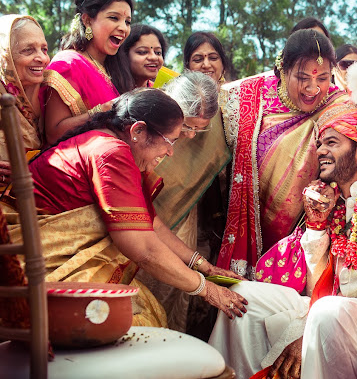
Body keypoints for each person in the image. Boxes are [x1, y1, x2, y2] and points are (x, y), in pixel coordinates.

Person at [209, 83, 357, 379]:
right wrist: (315, 226)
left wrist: (318, 317)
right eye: (319, 144)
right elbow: (316, 284)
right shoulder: (333, 199)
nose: (321, 151)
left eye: (331, 143)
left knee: (328, 313)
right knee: (244, 296)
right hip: (329, 306)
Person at [11, 89, 246, 327]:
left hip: (43, 257)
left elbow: (150, 224)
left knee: (147, 312)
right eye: (169, 141)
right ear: (138, 131)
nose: (170, 152)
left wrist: (204, 266)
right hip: (35, 266)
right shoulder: (110, 152)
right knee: (135, 323)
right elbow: (143, 248)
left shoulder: (110, 144)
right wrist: (209, 291)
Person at [216, 29, 346, 278]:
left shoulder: (339, 105)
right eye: (302, 77)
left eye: (323, 78)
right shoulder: (248, 97)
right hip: (251, 221)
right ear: (282, 69)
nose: (313, 88)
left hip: (308, 228)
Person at [136, 71, 222, 331]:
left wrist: (198, 263)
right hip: (133, 223)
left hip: (176, 219)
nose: (193, 135)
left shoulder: (210, 132)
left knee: (170, 298)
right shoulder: (143, 118)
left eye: (200, 128)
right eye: (187, 126)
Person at [41, 0, 133, 145]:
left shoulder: (114, 71)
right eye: (114, 18)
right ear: (87, 20)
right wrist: (102, 111)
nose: (123, 28)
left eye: (127, 21)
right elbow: (53, 134)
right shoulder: (68, 64)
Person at [0, 15, 49, 184]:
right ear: (5, 55)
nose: (42, 59)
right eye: (28, 50)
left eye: (44, 49)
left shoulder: (49, 93)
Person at [113, 24, 167, 92]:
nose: (154, 57)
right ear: (124, 55)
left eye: (158, 52)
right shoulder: (110, 90)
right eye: (143, 52)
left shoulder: (161, 93)